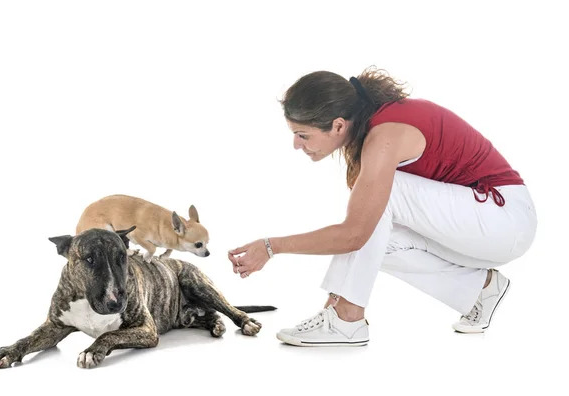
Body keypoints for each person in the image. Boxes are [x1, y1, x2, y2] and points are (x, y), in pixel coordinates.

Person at [227, 66, 537, 347]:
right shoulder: (372, 125)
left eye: (303, 134)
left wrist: (271, 247)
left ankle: (347, 319)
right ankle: (479, 290)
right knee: (378, 237)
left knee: (373, 214)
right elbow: (361, 240)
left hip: (505, 218)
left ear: (337, 126)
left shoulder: (385, 136)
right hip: (484, 225)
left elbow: (354, 235)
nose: (297, 144)